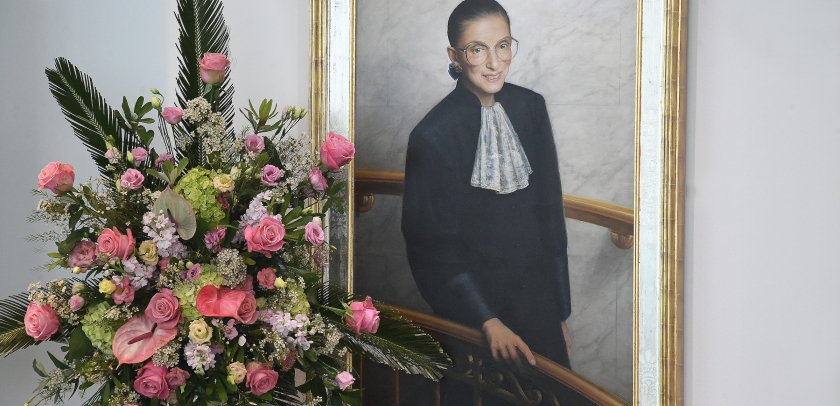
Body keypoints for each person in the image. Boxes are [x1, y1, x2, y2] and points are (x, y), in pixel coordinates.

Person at [401, 0, 573, 401]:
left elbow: (551, 217)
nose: (494, 63)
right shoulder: (431, 136)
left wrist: (560, 312)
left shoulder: (531, 108)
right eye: (477, 49)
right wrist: (487, 320)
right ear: (455, 57)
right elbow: (429, 250)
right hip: (475, 314)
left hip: (539, 303)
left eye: (503, 46)